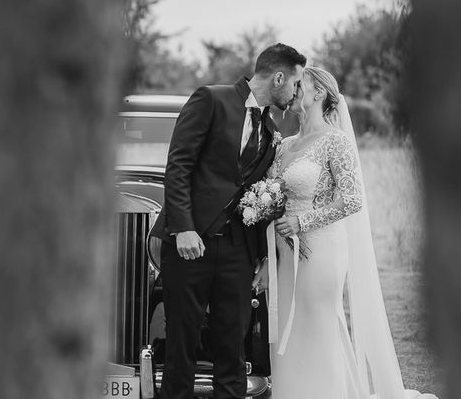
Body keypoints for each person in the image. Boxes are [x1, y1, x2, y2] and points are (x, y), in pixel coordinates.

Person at [252, 66, 439, 398]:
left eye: (300, 85)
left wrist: (302, 223)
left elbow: (351, 200)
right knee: (288, 331)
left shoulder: (335, 141)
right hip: (284, 252)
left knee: (319, 323)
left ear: (319, 93)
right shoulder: (285, 145)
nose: (294, 89)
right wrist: (270, 249)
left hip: (320, 249)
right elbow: (275, 199)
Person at [150, 44, 307, 399]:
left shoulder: (270, 131)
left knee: (232, 353)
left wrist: (264, 258)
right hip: (189, 245)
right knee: (181, 350)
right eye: (295, 83)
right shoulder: (211, 99)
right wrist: (184, 228)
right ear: (278, 77)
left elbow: (260, 195)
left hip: (238, 254)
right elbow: (178, 166)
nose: (296, 92)